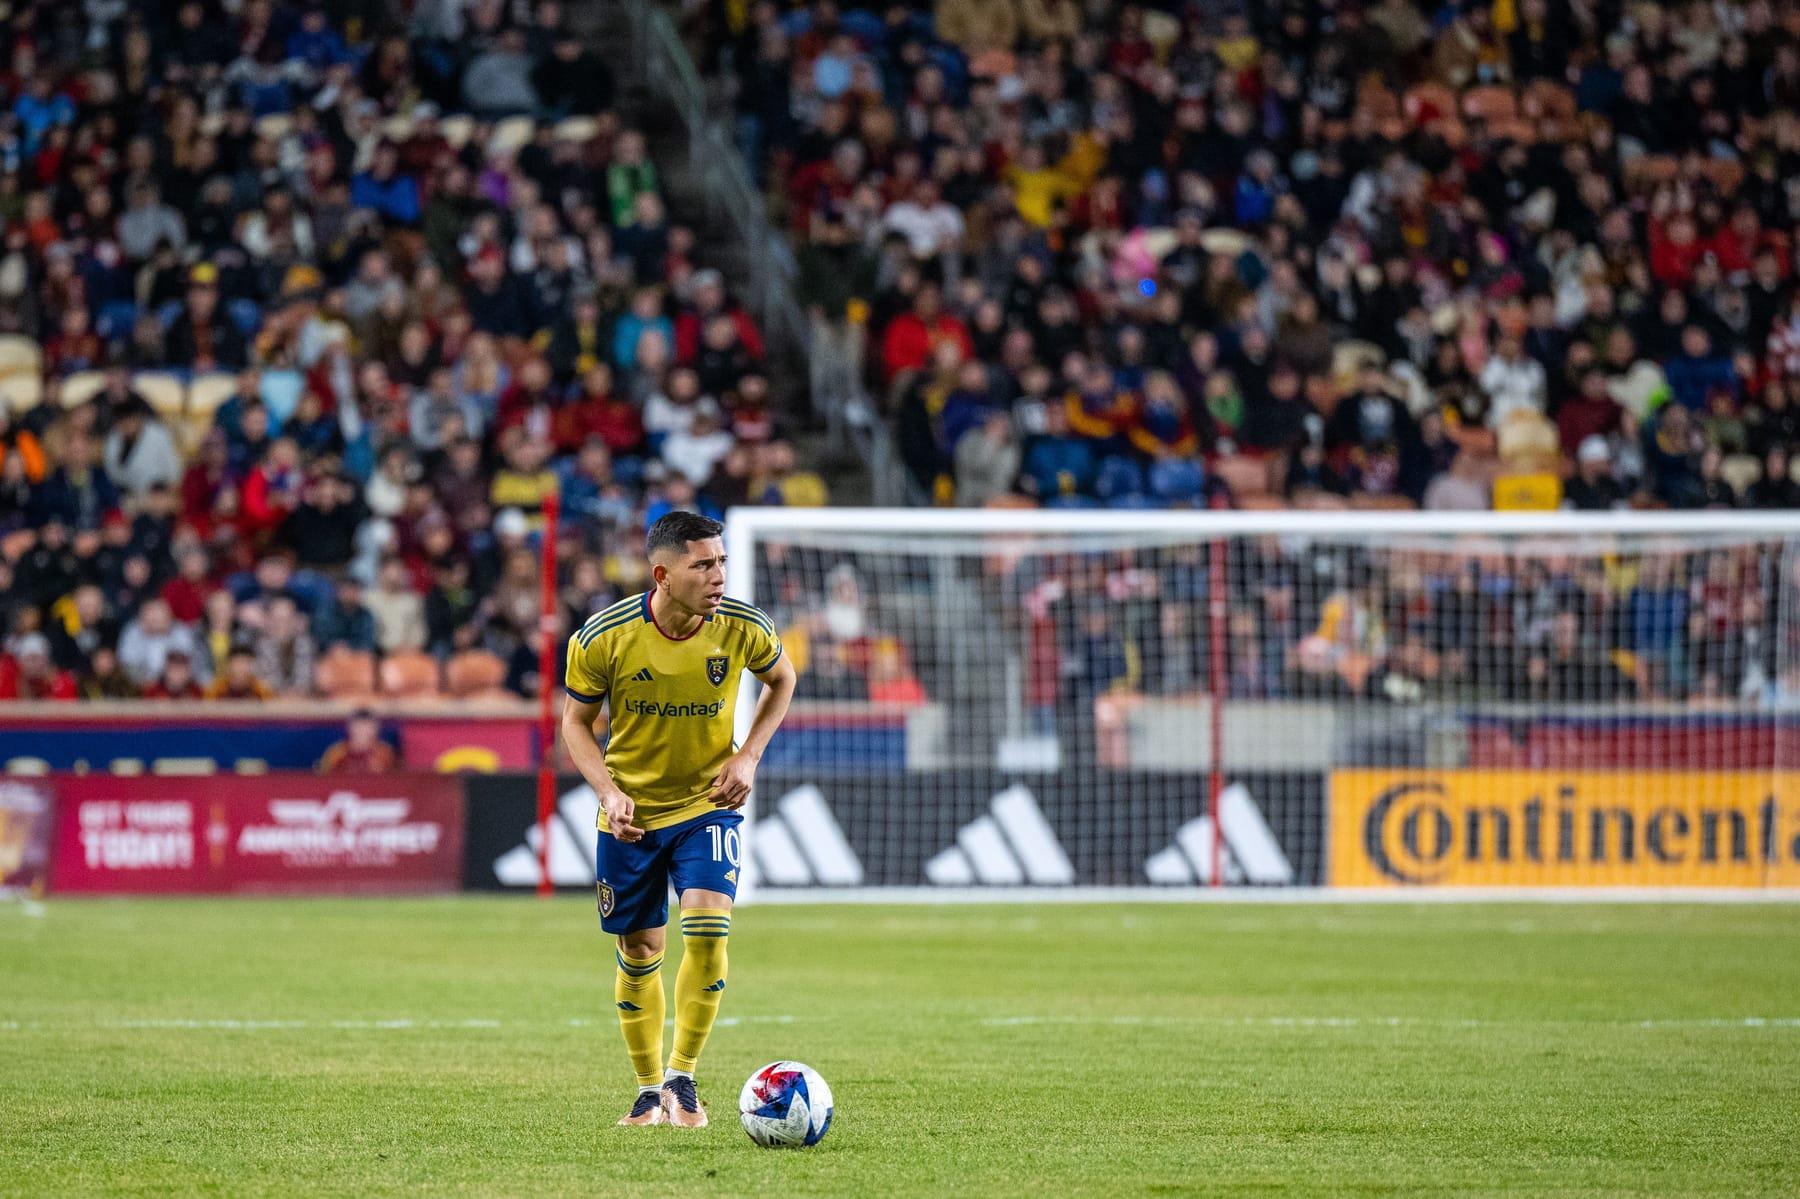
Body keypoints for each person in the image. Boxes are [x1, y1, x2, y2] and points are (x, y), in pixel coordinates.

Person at [561, 511, 797, 1128]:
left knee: (708, 927)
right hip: (631, 815)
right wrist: (609, 793)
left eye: (722, 562)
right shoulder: (601, 637)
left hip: (706, 805)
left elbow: (782, 679)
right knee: (640, 949)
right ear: (662, 574)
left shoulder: (743, 627)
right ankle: (646, 1092)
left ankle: (682, 1078)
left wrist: (748, 755)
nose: (719, 575)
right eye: (704, 565)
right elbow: (575, 725)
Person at [317, 709, 398, 773]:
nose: (362, 731)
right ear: (349, 728)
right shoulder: (336, 753)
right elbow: (324, 778)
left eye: (367, 726)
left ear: (376, 729)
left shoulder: (385, 753)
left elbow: (398, 780)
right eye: (358, 726)